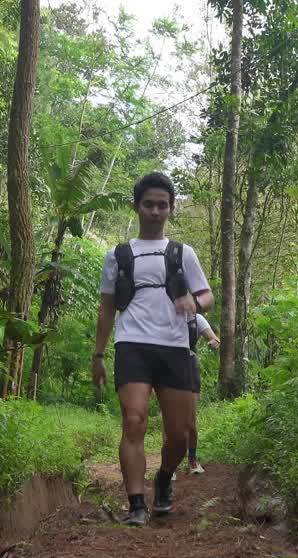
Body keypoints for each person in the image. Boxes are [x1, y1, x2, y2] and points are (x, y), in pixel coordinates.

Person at [92, 172, 214, 527]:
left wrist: (196, 302)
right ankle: (136, 505)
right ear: (137, 207)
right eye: (149, 204)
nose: (155, 211)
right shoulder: (117, 255)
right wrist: (98, 355)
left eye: (163, 205)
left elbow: (207, 295)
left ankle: (163, 479)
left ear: (171, 209)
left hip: (175, 347)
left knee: (179, 434)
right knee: (134, 421)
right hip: (132, 345)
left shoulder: (182, 253)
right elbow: (106, 307)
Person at [185, 314, 220, 475]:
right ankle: (168, 464)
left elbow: (215, 339)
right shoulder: (164, 314)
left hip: (189, 367)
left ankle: (192, 459)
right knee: (168, 419)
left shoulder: (196, 319)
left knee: (190, 420)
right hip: (167, 367)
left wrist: (214, 342)